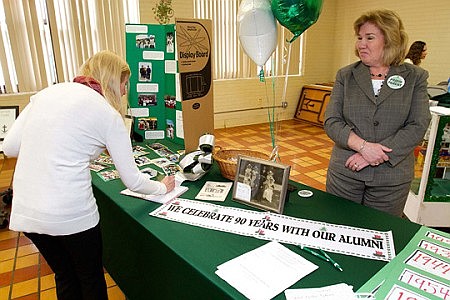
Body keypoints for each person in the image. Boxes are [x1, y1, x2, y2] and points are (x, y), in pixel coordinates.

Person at [2, 50, 175, 299]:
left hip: (27, 212)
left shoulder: (48, 93)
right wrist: (162, 187)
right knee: (90, 278)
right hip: (72, 213)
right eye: (125, 84)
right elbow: (133, 180)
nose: (126, 91)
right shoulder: (107, 114)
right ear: (112, 80)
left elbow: (9, 147)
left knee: (64, 276)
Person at [324, 10, 431, 217]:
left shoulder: (415, 77)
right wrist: (363, 147)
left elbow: (418, 124)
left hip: (391, 178)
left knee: (380, 235)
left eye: (369, 38)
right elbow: (332, 121)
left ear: (390, 40)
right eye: (359, 38)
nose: (361, 44)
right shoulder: (346, 75)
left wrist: (373, 155)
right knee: (339, 226)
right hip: (346, 172)